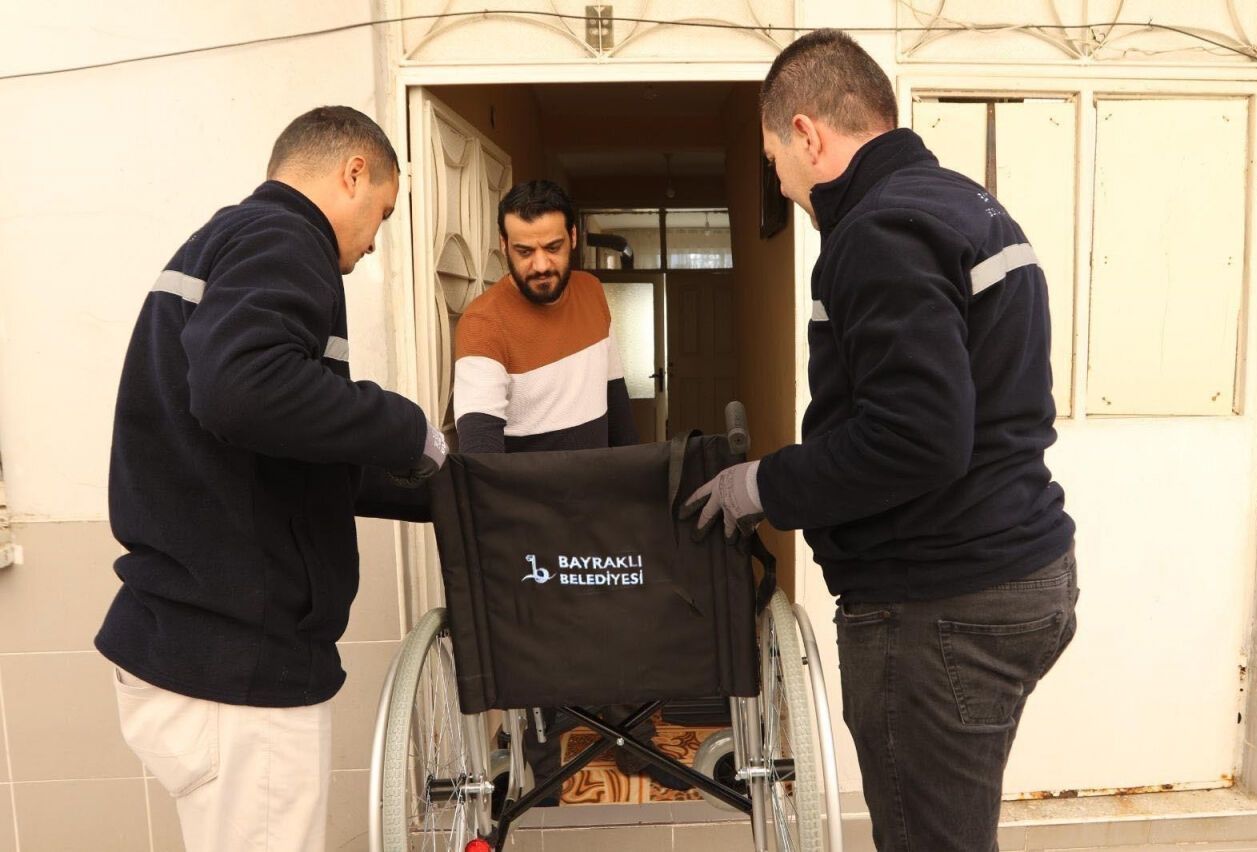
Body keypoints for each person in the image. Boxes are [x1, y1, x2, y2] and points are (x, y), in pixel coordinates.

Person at [683, 30, 1078, 851]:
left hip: (938, 605)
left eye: (774, 160)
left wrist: (765, 485)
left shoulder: (877, 232)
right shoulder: (966, 205)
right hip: (1017, 570)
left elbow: (917, 436)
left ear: (806, 134)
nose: (780, 183)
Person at [96, 106, 447, 852]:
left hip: (202, 648)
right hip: (237, 667)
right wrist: (405, 426)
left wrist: (447, 487)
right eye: (383, 214)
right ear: (354, 171)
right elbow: (243, 391)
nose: (373, 244)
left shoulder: (225, 240)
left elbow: (281, 447)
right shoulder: (285, 237)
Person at [452, 179, 691, 798]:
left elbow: (615, 402)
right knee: (541, 645)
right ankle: (540, 772)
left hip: (602, 500)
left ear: (574, 239)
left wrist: (638, 484)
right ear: (502, 247)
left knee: (629, 622)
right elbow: (480, 452)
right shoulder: (483, 324)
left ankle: (635, 743)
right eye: (524, 251)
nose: (540, 264)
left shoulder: (590, 293)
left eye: (553, 248)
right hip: (530, 517)